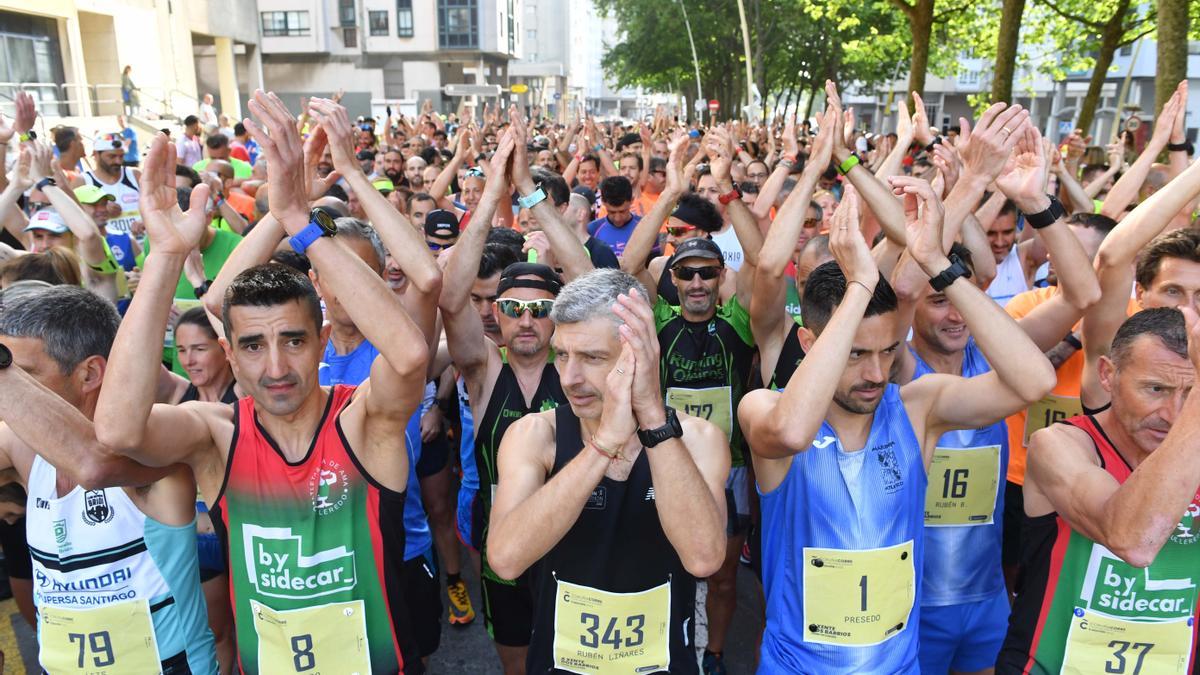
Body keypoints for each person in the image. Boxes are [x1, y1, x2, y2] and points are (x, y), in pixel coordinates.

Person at [93, 92, 430, 674]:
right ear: (230, 353)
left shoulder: (364, 422)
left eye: (293, 340)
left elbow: (407, 355)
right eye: (252, 345)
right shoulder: (217, 436)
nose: (275, 367)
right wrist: (167, 256)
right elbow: (119, 429)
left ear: (321, 342)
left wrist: (298, 220)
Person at [739, 104, 1056, 672]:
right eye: (856, 354)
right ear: (813, 346)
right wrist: (861, 283)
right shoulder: (764, 407)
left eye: (888, 351)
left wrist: (939, 262)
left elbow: (1034, 380)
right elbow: (789, 429)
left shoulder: (918, 407)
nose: (876, 372)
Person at [487, 268, 730, 674]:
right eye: (562, 354)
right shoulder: (535, 435)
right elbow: (506, 559)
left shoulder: (697, 438)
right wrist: (601, 447)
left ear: (640, 354)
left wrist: (652, 419)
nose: (569, 378)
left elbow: (704, 558)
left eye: (593, 358)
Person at [438, 117, 592, 674]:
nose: (526, 321)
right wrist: (491, 199)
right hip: (501, 535)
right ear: (496, 315)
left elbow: (587, 278)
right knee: (518, 663)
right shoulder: (482, 369)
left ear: (560, 318)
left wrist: (528, 191)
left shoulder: (578, 370)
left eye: (541, 309)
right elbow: (452, 300)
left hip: (575, 534)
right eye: (512, 308)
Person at [0, 284, 218, 673]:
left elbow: (95, 462)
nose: (11, 392)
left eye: (24, 375)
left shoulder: (151, 446)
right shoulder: (22, 443)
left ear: (89, 374)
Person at [622, 128, 764, 675]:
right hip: (668, 459)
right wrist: (671, 193)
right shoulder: (657, 323)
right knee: (666, 562)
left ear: (720, 275)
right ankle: (667, 645)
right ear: (673, 279)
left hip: (728, 468)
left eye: (708, 272)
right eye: (687, 273)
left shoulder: (738, 322)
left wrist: (726, 189)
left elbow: (766, 263)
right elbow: (626, 266)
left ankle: (716, 653)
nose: (699, 282)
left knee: (723, 574)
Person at [997, 308, 1200, 673]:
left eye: (1189, 392)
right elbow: (1130, 538)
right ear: (1108, 374)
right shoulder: (1061, 445)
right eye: (1156, 389)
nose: (1173, 415)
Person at [80, 132, 143, 260]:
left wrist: (145, 220)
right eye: (112, 156)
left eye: (121, 156)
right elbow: (72, 215)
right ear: (96, 155)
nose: (118, 161)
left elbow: (156, 205)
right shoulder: (82, 181)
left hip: (141, 247)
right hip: (107, 252)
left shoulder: (135, 175)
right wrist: (99, 209)